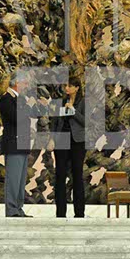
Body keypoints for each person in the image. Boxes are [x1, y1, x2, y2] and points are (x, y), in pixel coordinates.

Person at [0, 73, 33, 218]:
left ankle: (18, 207)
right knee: (13, 179)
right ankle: (12, 209)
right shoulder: (6, 99)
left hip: (23, 143)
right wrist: (28, 106)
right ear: (17, 83)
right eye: (25, 83)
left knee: (20, 180)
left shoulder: (20, 100)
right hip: (13, 144)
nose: (26, 86)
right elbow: (16, 118)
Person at [52, 76, 86, 218]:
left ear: (77, 88)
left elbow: (86, 122)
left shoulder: (83, 102)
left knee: (77, 175)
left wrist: (73, 111)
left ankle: (79, 213)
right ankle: (60, 213)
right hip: (61, 140)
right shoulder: (61, 101)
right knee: (60, 176)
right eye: (66, 85)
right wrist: (52, 138)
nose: (67, 88)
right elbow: (55, 121)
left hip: (77, 141)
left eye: (70, 86)